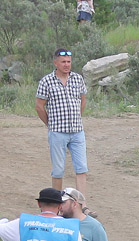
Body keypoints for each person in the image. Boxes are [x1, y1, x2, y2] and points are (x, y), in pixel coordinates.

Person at [36, 49, 88, 197]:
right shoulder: (46, 81)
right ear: (56, 63)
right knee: (58, 170)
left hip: (77, 131)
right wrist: (50, 124)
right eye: (63, 62)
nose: (66, 65)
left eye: (69, 62)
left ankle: (81, 206)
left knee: (82, 168)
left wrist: (77, 116)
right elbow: (39, 106)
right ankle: (57, 204)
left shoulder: (78, 79)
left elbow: (83, 100)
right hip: (58, 132)